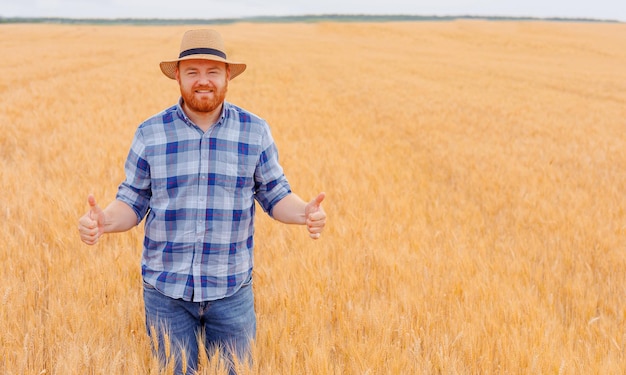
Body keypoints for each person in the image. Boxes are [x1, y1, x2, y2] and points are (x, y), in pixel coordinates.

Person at [78, 29, 326, 374]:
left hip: (231, 291)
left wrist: (304, 213)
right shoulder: (151, 133)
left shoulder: (254, 131)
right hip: (166, 294)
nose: (203, 81)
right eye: (192, 71)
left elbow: (275, 194)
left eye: (212, 71)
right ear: (178, 76)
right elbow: (132, 201)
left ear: (227, 77)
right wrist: (103, 221)